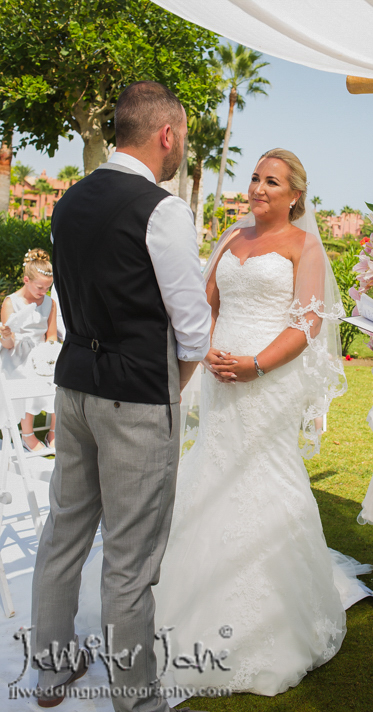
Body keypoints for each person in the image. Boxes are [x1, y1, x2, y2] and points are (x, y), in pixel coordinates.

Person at [149, 148, 373, 696]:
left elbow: (308, 325)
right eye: (254, 178)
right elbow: (205, 306)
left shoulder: (305, 246)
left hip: (269, 381)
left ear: (295, 193)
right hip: (220, 378)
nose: (258, 188)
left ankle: (274, 614)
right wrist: (207, 356)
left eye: (271, 181)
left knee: (266, 474)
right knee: (211, 469)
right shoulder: (231, 238)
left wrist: (255, 365)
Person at [31, 81, 211, 711]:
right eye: (183, 136)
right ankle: (137, 700)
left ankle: (50, 673)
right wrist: (167, 391)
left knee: (64, 532)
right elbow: (193, 330)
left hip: (73, 385)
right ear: (167, 135)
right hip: (134, 397)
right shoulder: (163, 209)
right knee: (131, 560)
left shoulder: (68, 202)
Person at [0, 248, 57, 454]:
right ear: (26, 280)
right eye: (40, 287)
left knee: (60, 378)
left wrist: (48, 354)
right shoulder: (11, 302)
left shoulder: (50, 303)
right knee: (27, 377)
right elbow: (9, 345)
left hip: (41, 354)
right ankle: (27, 435)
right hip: (17, 356)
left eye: (47, 288)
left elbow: (51, 336)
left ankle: (53, 432)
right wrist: (6, 334)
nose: (44, 292)